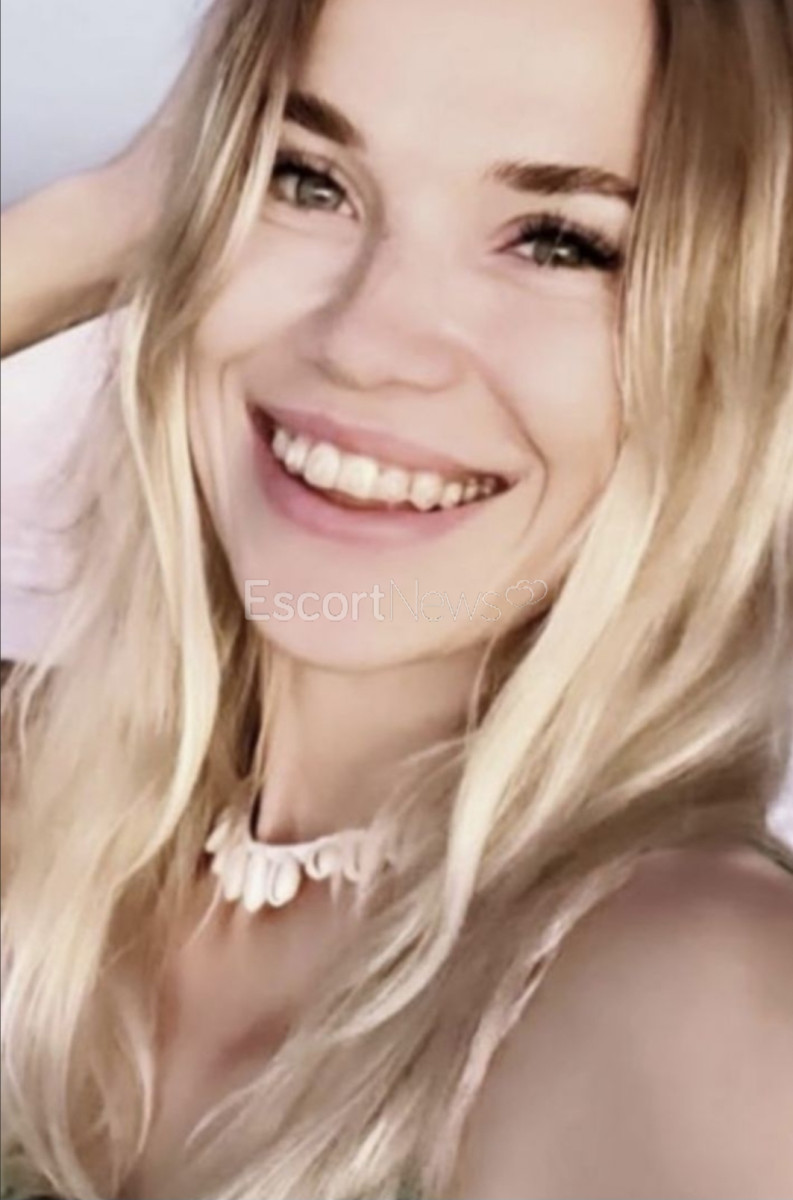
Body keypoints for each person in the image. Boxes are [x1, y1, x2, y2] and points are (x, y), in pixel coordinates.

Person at [2, 0, 793, 1196]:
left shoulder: (700, 1001)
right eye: (307, 178)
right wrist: (104, 214)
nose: (364, 345)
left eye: (559, 242)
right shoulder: (46, 809)